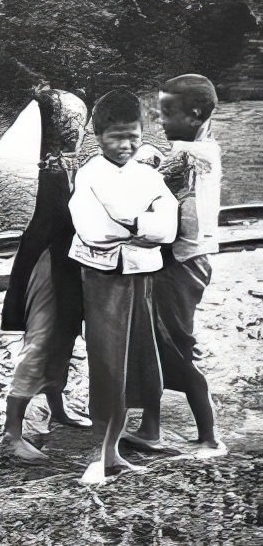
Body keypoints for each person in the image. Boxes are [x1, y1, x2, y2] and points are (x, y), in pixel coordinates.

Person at [68, 88, 178, 483]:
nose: (126, 144)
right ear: (98, 136)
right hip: (102, 276)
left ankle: (118, 449)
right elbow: (94, 231)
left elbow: (167, 227)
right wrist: (140, 222)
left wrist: (134, 225)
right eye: (116, 136)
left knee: (140, 357)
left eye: (133, 135)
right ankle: (100, 453)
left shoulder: (147, 173)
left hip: (141, 274)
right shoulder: (90, 174)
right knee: (108, 361)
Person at [124, 74, 225, 455]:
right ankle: (151, 427)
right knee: (152, 340)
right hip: (170, 260)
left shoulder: (194, 154)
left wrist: (145, 164)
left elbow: (155, 193)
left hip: (182, 263)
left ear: (195, 113)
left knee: (180, 345)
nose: (159, 119)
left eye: (167, 112)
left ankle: (210, 437)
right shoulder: (192, 150)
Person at [0, 86, 93, 460]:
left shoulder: (61, 166)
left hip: (62, 264)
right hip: (50, 267)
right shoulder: (55, 170)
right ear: (70, 129)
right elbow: (69, 220)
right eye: (80, 125)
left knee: (64, 335)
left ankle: (56, 406)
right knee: (42, 341)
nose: (84, 132)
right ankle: (11, 435)